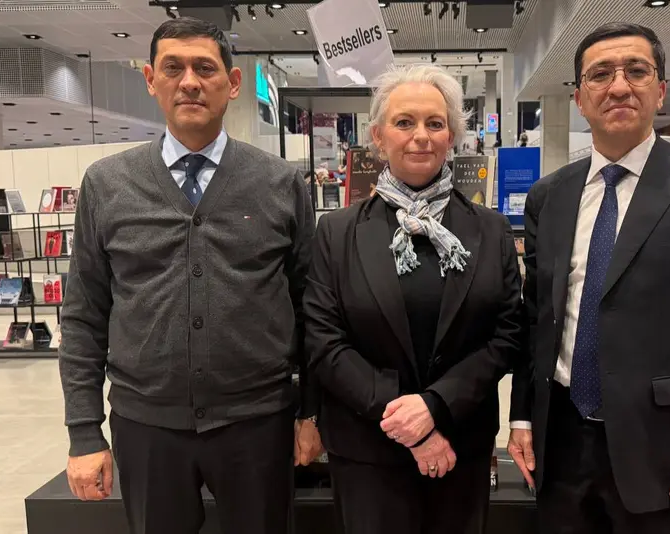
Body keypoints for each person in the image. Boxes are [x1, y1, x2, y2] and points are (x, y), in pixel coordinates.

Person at [58, 16, 322, 534]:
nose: (189, 82)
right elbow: (84, 315)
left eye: (205, 68)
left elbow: (310, 308)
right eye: (172, 68)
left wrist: (310, 413)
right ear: (150, 80)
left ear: (233, 82)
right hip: (146, 426)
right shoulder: (106, 185)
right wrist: (84, 431)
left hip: (258, 423)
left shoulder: (281, 183)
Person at [508, 22, 670, 534]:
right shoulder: (549, 197)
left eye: (636, 71)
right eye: (601, 74)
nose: (619, 86)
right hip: (561, 445)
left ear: (661, 89)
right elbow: (536, 318)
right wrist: (520, 416)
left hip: (664, 450)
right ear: (579, 99)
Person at [304, 63, 523, 534]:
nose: (420, 136)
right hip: (367, 449)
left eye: (435, 123)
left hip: (459, 445)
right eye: (404, 122)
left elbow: (506, 337)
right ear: (378, 137)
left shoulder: (492, 230)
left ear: (452, 137)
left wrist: (436, 407)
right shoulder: (337, 233)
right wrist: (409, 423)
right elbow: (324, 342)